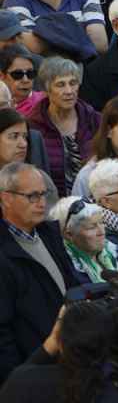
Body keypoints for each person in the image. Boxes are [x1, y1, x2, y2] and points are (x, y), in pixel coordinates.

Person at [0, 160, 82, 380]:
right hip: (34, 372)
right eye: (32, 196)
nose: (41, 203)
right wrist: (16, 381)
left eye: (43, 194)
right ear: (6, 198)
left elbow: (71, 286)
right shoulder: (4, 254)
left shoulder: (50, 234)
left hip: (70, 358)